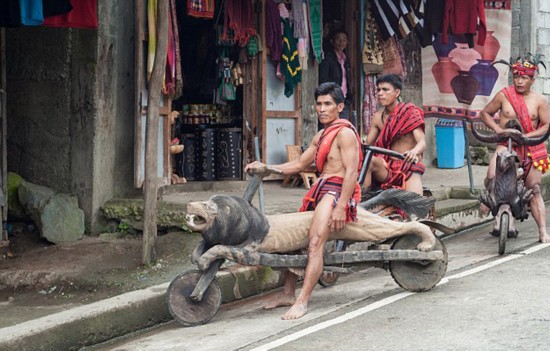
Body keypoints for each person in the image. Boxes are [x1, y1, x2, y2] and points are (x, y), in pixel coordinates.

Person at [244, 82, 362, 320]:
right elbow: (299, 165)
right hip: (320, 190)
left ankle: (302, 300)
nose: (322, 109)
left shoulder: (346, 133)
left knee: (315, 242)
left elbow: (351, 172)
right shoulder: (321, 134)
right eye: (318, 104)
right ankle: (288, 293)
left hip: (335, 192)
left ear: (339, 106)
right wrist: (267, 168)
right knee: (296, 241)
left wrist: (341, 207)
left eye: (327, 104)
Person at [479, 57, 550, 243]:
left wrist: (529, 136)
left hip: (530, 147)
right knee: (492, 176)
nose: (519, 81)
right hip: (506, 144)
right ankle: (489, 201)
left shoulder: (540, 100)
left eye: (524, 77)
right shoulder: (504, 95)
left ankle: (543, 230)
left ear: (532, 80)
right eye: (516, 76)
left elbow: (547, 125)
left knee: (534, 188)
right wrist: (498, 130)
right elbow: (485, 113)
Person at [362, 74, 426, 196]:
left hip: (408, 167)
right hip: (386, 167)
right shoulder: (377, 117)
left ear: (397, 92)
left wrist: (414, 152)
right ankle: (362, 200)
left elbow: (422, 142)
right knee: (368, 161)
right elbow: (367, 146)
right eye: (378, 90)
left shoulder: (411, 112)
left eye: (385, 90)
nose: (380, 93)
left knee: (415, 209)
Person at [318, 30, 352, 123]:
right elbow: (323, 79)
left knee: (342, 127)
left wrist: (348, 98)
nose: (341, 42)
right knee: (330, 127)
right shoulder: (328, 58)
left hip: (343, 99)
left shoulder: (345, 58)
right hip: (331, 98)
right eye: (338, 39)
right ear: (332, 41)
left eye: (344, 39)